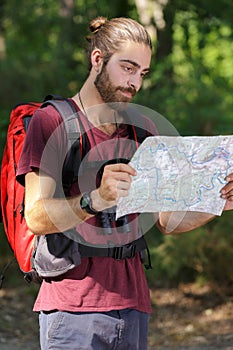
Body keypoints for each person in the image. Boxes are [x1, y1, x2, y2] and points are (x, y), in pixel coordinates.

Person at [16, 16, 233, 350]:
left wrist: (218, 201)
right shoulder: (52, 121)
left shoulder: (143, 128)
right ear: (98, 59)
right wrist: (95, 199)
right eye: (127, 68)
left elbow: (168, 221)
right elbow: (36, 216)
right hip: (73, 308)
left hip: (134, 307)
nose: (135, 83)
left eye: (142, 73)